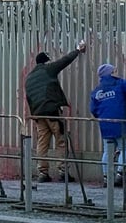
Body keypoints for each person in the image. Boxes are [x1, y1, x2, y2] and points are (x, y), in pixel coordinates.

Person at [25, 40, 87, 182]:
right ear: (46, 62)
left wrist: (35, 115)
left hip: (38, 114)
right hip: (52, 111)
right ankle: (63, 172)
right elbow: (64, 61)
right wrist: (77, 50)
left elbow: (29, 98)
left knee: (42, 142)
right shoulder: (48, 69)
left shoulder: (29, 77)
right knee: (61, 141)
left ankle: (42, 173)